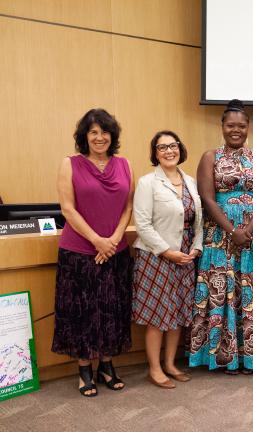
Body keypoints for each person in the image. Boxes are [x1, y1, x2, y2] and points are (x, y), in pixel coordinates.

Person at [189, 99, 253, 373]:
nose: (236, 130)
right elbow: (207, 197)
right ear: (222, 127)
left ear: (248, 127)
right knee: (223, 290)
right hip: (220, 235)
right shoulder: (210, 157)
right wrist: (232, 231)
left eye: (241, 125)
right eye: (231, 125)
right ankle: (223, 356)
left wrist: (248, 231)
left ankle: (252, 357)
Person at [52, 108, 134, 397]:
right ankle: (84, 368)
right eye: (93, 132)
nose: (100, 137)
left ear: (113, 135)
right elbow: (67, 209)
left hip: (116, 250)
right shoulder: (70, 163)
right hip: (79, 251)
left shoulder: (124, 164)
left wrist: (111, 240)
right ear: (84, 136)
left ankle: (107, 365)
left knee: (112, 310)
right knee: (82, 312)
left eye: (105, 131)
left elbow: (127, 208)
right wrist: (97, 240)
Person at [132, 131, 202, 389]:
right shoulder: (147, 182)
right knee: (158, 315)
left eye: (172, 146)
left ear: (180, 149)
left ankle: (171, 363)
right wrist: (166, 251)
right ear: (155, 153)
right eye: (162, 148)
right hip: (156, 257)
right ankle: (155, 368)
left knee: (179, 313)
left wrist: (196, 247)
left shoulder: (191, 181)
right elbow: (142, 225)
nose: (168, 151)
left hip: (185, 255)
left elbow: (199, 221)